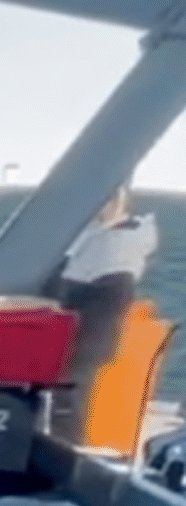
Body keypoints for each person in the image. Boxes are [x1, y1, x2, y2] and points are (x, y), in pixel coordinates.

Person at [47, 183, 158, 444]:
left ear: (120, 202)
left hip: (90, 334)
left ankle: (65, 453)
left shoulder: (119, 241)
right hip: (86, 333)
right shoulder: (113, 237)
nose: (100, 207)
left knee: (70, 398)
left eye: (107, 200)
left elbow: (74, 287)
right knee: (68, 397)